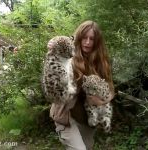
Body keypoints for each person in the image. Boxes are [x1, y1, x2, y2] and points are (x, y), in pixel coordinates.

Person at [49, 20, 115, 150]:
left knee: (88, 147)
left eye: (92, 39)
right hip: (66, 115)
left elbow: (111, 89)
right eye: (84, 38)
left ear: (97, 41)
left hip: (85, 117)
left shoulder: (101, 61)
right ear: (79, 37)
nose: (88, 42)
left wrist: (102, 101)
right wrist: (54, 46)